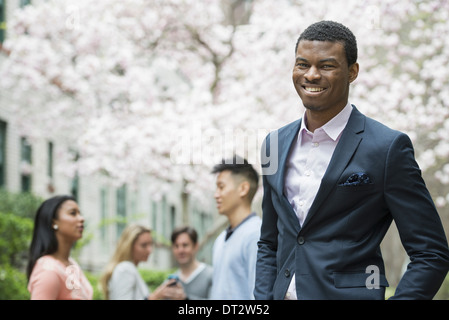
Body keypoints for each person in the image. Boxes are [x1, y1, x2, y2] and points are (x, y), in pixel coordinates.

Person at [255, 20, 449, 300]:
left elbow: (431, 252)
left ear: (352, 72)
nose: (311, 75)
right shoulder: (273, 143)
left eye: (326, 66)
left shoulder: (386, 148)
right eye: (302, 64)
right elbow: (269, 241)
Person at [210, 155, 261, 300]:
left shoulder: (256, 235)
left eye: (221, 187)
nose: (216, 195)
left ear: (243, 188)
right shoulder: (220, 239)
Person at [27, 195, 93, 300]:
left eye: (80, 214)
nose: (81, 219)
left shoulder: (71, 263)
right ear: (54, 222)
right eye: (73, 213)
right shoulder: (48, 271)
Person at [100, 224, 186, 300]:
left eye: (150, 244)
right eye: (144, 245)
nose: (150, 250)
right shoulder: (125, 269)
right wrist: (156, 296)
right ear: (129, 246)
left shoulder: (130, 269)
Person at [170, 226, 213, 299]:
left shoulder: (211, 276)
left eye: (185, 245)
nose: (180, 250)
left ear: (196, 246)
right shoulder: (172, 281)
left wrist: (186, 298)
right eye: (176, 246)